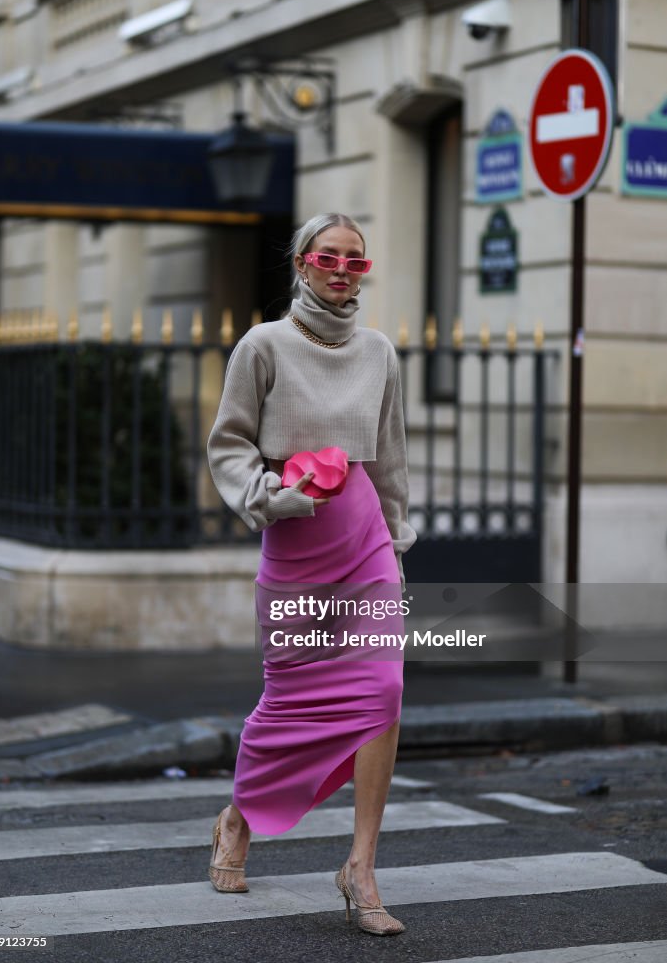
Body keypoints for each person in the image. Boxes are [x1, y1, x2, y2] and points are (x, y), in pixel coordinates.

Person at [206, 212, 416, 936]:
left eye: (354, 261)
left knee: (383, 688)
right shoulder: (262, 346)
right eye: (326, 256)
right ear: (299, 262)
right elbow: (229, 444)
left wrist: (395, 538)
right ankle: (238, 818)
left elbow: (387, 458)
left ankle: (359, 868)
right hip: (295, 542)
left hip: (363, 541)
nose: (339, 269)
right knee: (287, 704)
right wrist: (269, 497)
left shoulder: (381, 352)